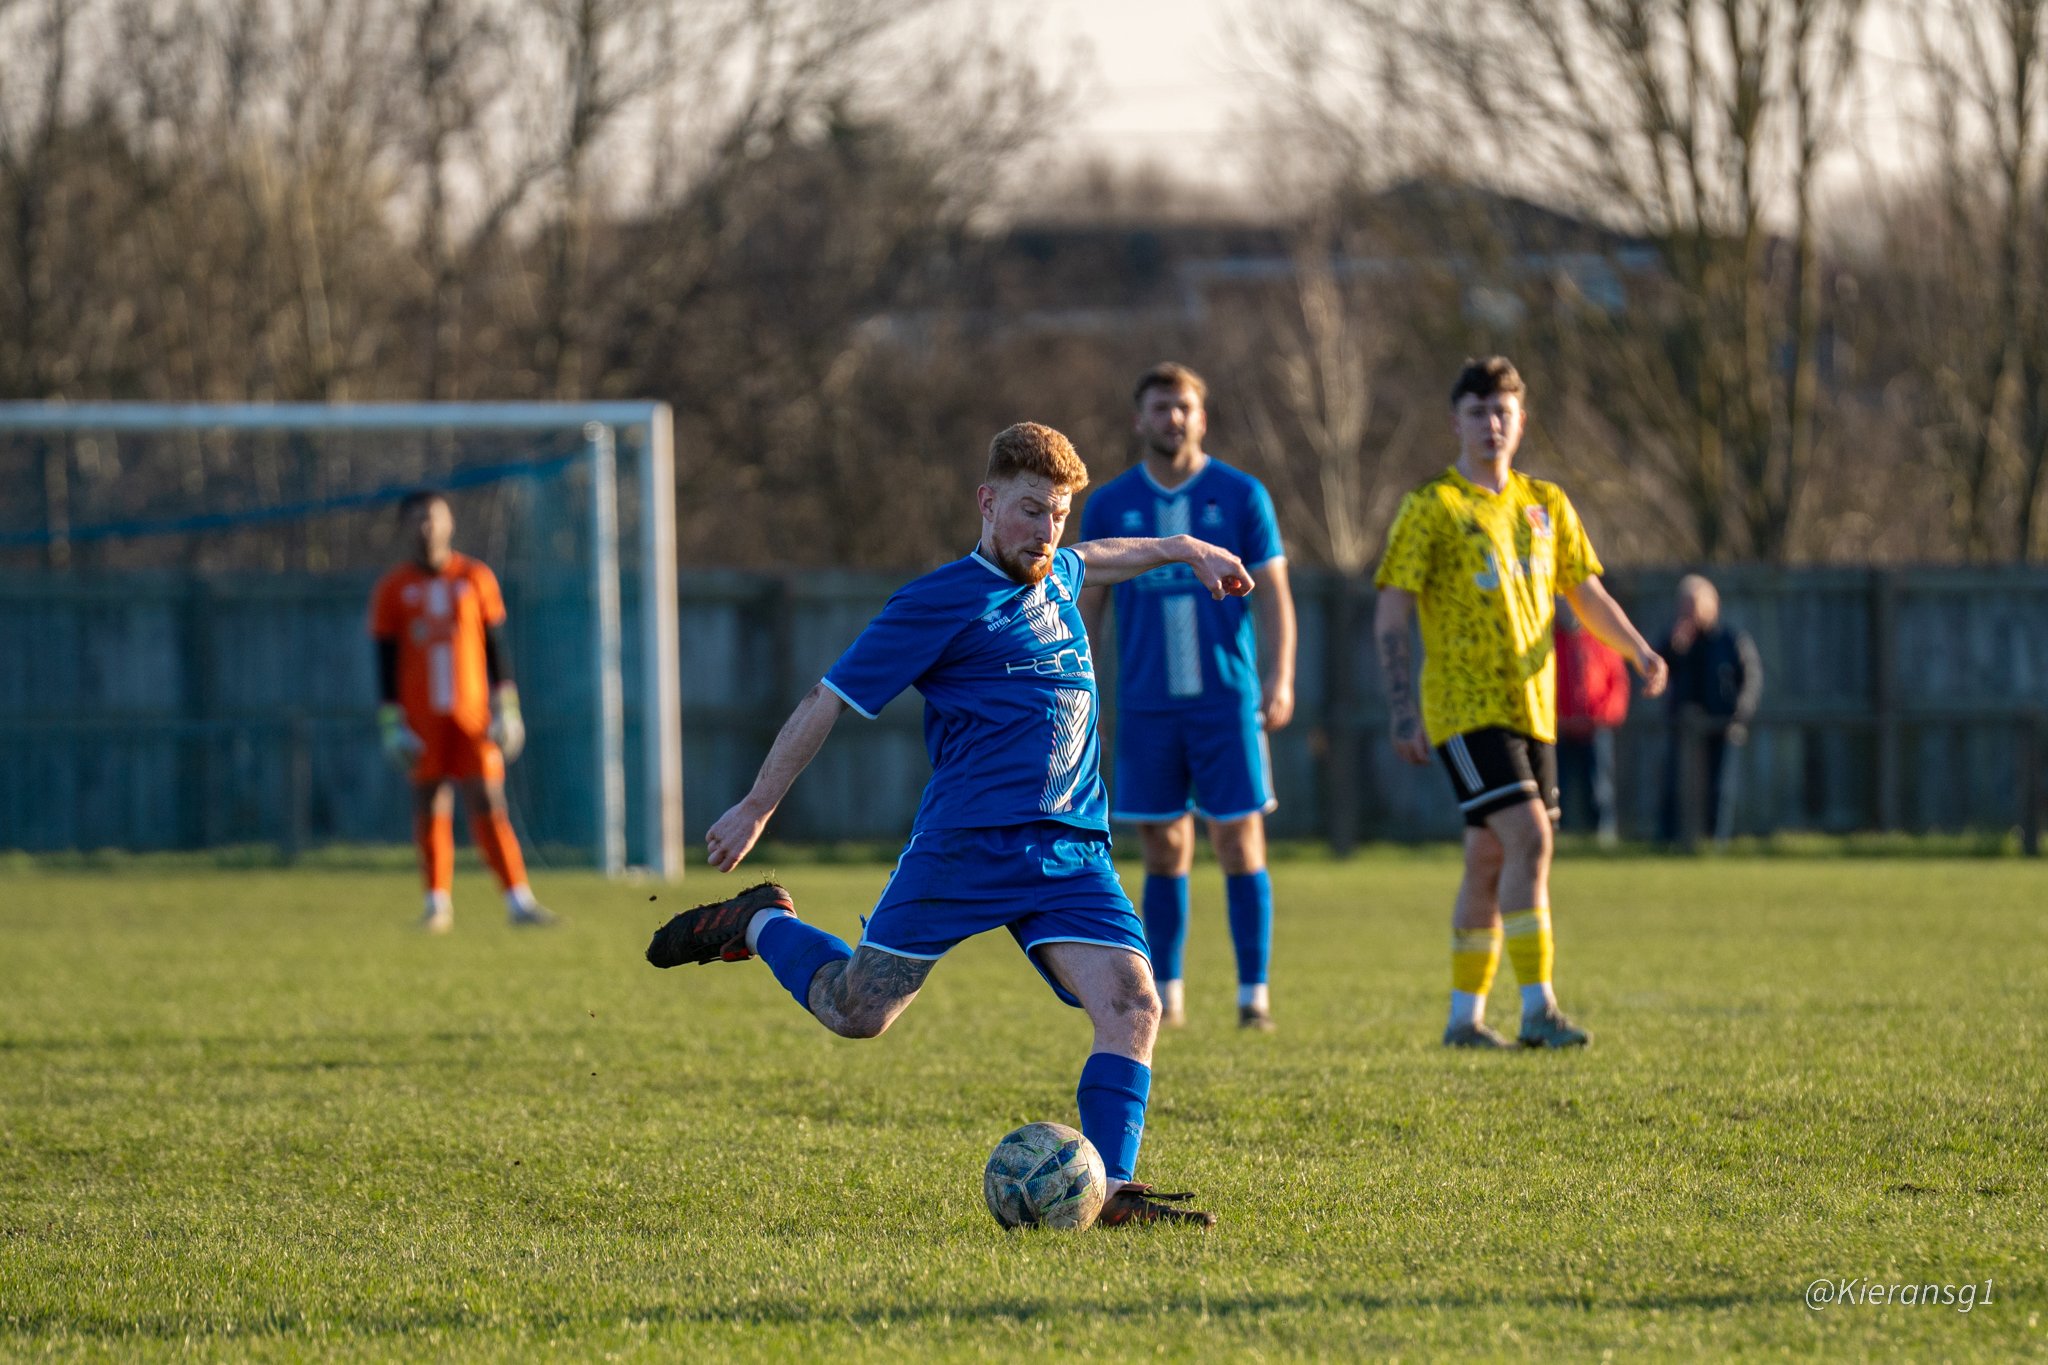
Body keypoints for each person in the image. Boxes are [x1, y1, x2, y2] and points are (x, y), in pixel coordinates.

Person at [645, 422, 1251, 1227]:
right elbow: (827, 698)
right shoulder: (937, 601)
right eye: (1031, 510)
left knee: (1135, 1003)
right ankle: (758, 921)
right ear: (987, 499)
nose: (1047, 531)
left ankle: (1111, 1192)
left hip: (1070, 850)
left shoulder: (1059, 576)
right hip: (963, 849)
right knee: (857, 1011)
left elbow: (1103, 556)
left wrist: (1183, 546)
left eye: (1059, 514)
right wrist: (757, 803)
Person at [1372, 357, 1667, 1049]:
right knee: (1531, 837)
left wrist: (1637, 649)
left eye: (1503, 410)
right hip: (1465, 707)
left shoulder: (1546, 503)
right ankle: (1539, 1009)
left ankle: (1463, 1020)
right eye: (1478, 411)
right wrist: (1400, 708)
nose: (1491, 423)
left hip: (1533, 709)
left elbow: (1585, 593)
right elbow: (1391, 612)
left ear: (1521, 420)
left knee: (1490, 857)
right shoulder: (1432, 506)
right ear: (1457, 422)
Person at [1078, 363, 1297, 1032]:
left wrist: (1280, 676)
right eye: (1160, 407)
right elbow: (1090, 607)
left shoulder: (1241, 495)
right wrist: (1087, 699)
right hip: (1145, 704)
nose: (1172, 418)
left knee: (1239, 839)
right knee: (1163, 845)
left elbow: (1278, 600)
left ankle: (1252, 994)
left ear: (1202, 416)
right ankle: (1166, 992)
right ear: (1139, 418)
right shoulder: (1111, 504)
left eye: (1184, 407)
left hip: (1226, 701)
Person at [369, 489, 554, 932]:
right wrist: (391, 722)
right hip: (421, 719)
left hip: (472, 716)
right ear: (404, 527)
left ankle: (518, 901)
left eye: (433, 517)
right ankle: (437, 904)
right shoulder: (394, 588)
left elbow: (495, 648)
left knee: (488, 801)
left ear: (449, 522)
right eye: (416, 519)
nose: (426, 527)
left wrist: (508, 707)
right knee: (430, 801)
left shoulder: (474, 577)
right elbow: (385, 659)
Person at [1656, 574, 1763, 845]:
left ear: (1710, 605)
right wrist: (1674, 647)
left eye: (1692, 604)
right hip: (1683, 725)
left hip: (1722, 726)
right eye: (1683, 604)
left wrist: (1738, 715)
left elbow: (1750, 679)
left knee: (1720, 788)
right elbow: (1659, 670)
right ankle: (1669, 840)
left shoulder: (1730, 640)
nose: (1687, 611)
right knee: (1674, 784)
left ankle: (1715, 841)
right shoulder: (1677, 641)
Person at [1554, 600, 1630, 844]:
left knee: (1599, 787)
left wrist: (1601, 717)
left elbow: (1617, 683)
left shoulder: (1599, 640)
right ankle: (1557, 837)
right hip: (1559, 729)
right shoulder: (1549, 642)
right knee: (1557, 787)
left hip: (1595, 728)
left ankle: (1603, 837)